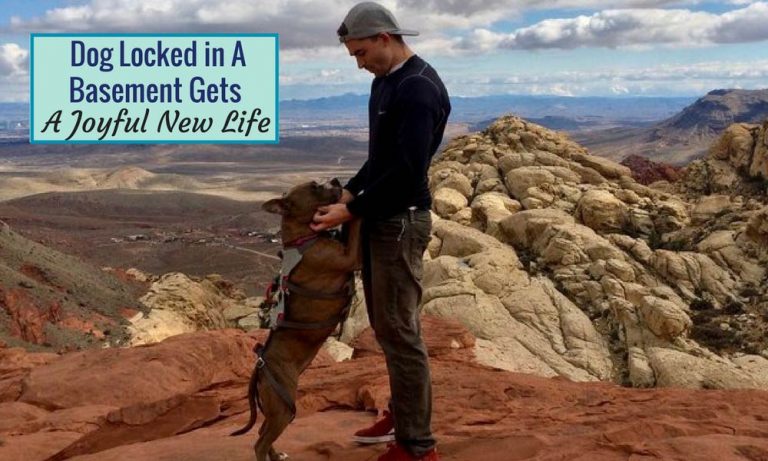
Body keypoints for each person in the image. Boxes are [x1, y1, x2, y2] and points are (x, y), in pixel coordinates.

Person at [310, 2, 450, 461]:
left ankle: (417, 446)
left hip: (401, 222)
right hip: (380, 218)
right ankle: (405, 414)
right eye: (354, 54)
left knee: (400, 331)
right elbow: (382, 159)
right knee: (388, 328)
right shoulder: (385, 83)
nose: (359, 62)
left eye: (362, 52)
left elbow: (408, 173)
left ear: (385, 39)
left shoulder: (419, 90)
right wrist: (351, 193)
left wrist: (350, 214)